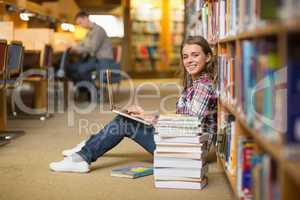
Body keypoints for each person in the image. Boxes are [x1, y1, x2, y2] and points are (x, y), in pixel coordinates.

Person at [49, 35, 217, 173]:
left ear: (207, 56)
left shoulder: (202, 87)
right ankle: (87, 147)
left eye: (195, 55)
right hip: (179, 140)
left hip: (185, 150)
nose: (189, 61)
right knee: (128, 118)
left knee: (124, 122)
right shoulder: (196, 83)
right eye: (185, 56)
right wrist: (148, 117)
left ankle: (83, 156)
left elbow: (190, 124)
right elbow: (183, 118)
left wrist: (153, 120)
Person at [57, 11, 119, 83]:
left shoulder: (98, 30)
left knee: (80, 70)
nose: (80, 25)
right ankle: (86, 89)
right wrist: (71, 45)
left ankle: (93, 89)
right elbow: (81, 44)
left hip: (103, 61)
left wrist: (75, 48)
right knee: (72, 68)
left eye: (80, 22)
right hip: (94, 60)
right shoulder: (89, 32)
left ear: (86, 18)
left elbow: (92, 48)